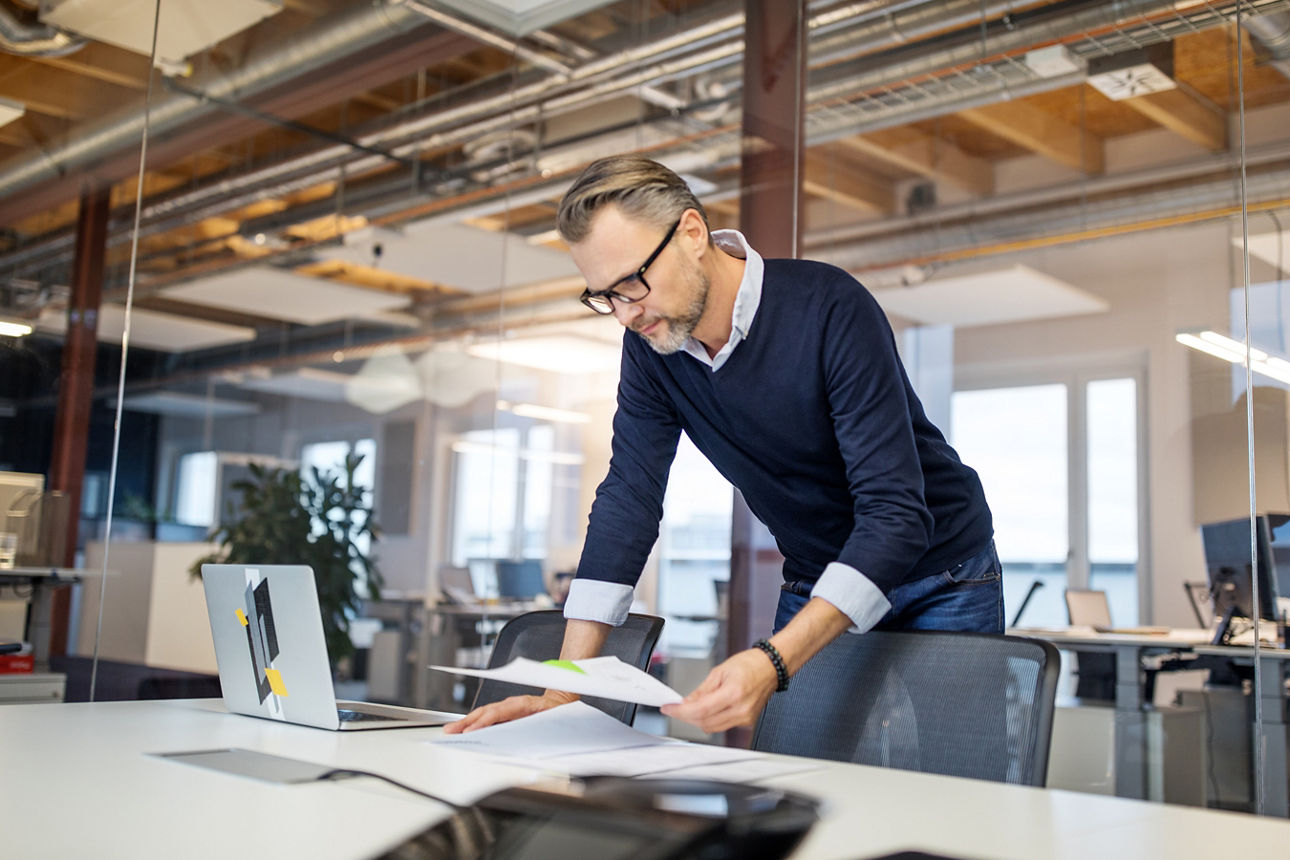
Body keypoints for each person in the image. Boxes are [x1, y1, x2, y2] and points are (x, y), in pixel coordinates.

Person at [444, 155, 999, 736]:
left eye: (633, 282)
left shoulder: (828, 307)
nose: (626, 314)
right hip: (817, 573)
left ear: (690, 233)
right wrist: (565, 688)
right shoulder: (651, 350)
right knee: (800, 785)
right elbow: (629, 498)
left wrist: (775, 660)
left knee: (952, 780)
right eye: (605, 295)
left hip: (942, 571)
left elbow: (895, 514)